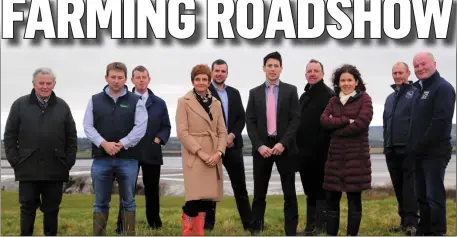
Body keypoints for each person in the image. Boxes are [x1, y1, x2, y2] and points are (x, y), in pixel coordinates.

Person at [3, 67, 78, 236]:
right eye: (41, 83)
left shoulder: (63, 106)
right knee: (27, 209)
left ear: (54, 84)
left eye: (48, 83)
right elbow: (9, 136)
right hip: (27, 169)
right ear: (33, 84)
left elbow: (72, 137)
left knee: (52, 210)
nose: (45, 86)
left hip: (56, 169)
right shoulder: (19, 105)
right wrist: (16, 161)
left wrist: (68, 162)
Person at [83, 62, 148, 236]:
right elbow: (88, 126)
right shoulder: (94, 100)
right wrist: (104, 143)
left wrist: (122, 143)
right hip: (101, 160)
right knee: (100, 202)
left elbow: (141, 126)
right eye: (113, 77)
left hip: (128, 160)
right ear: (106, 78)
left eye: (120, 78)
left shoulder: (136, 101)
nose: (116, 81)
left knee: (128, 201)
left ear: (126, 79)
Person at [245, 51, 300, 236]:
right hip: (262, 149)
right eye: (269, 66)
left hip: (284, 148)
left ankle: (290, 231)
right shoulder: (254, 93)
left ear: (281, 68)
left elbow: (295, 119)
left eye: (276, 66)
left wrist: (283, 143)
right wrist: (259, 146)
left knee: (289, 193)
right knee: (259, 194)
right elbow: (249, 122)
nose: (273, 69)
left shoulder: (291, 90)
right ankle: (256, 230)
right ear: (264, 68)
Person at [115, 65, 171, 233]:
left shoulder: (159, 103)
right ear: (132, 80)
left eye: (143, 77)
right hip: (129, 152)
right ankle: (123, 225)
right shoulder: (124, 100)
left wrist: (158, 139)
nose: (141, 80)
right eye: (137, 77)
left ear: (149, 79)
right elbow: (118, 125)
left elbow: (166, 127)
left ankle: (154, 223)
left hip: (151, 151)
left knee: (152, 189)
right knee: (127, 190)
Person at [320, 64, 373, 236]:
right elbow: (323, 121)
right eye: (342, 80)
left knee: (354, 200)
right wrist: (345, 120)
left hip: (356, 158)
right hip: (335, 158)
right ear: (338, 83)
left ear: (356, 82)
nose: (346, 83)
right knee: (331, 199)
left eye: (349, 80)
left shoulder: (365, 99)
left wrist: (336, 131)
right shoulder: (333, 101)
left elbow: (361, 123)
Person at [175, 64, 227, 236]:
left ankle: (200, 233)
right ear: (192, 81)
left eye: (204, 79)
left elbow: (222, 131)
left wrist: (219, 153)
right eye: (198, 79)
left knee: (207, 200)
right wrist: (201, 153)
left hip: (214, 154)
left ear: (209, 81)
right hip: (194, 155)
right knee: (193, 200)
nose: (201, 82)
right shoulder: (184, 102)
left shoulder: (216, 103)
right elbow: (182, 133)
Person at [408, 52, 456, 236]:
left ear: (434, 63)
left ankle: (437, 232)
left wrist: (420, 145)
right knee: (421, 196)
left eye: (423, 64)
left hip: (435, 153)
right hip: (418, 152)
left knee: (433, 196)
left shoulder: (443, 88)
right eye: (416, 66)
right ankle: (423, 230)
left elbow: (440, 122)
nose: (420, 68)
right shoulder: (419, 89)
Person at [204, 59, 252, 231]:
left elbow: (241, 118)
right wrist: (220, 140)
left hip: (233, 146)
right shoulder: (203, 93)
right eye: (216, 71)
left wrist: (231, 135)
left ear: (227, 73)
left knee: (240, 188)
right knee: (211, 189)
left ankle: (249, 225)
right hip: (212, 148)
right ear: (211, 72)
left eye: (223, 71)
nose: (219, 74)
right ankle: (208, 226)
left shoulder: (234, 93)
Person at [296, 59, 335, 235]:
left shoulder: (329, 95)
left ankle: (321, 226)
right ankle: (310, 226)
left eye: (316, 71)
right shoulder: (303, 96)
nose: (312, 73)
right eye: (309, 71)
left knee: (320, 192)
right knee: (309, 191)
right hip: (304, 154)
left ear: (322, 74)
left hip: (322, 153)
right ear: (306, 74)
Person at [382, 62, 419, 235]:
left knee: (409, 187)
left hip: (408, 148)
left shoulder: (415, 93)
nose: (398, 76)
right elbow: (385, 123)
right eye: (395, 73)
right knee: (398, 186)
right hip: (391, 149)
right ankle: (404, 222)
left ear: (408, 73)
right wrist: (385, 145)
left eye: (400, 73)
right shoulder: (390, 98)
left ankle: (413, 223)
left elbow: (418, 121)